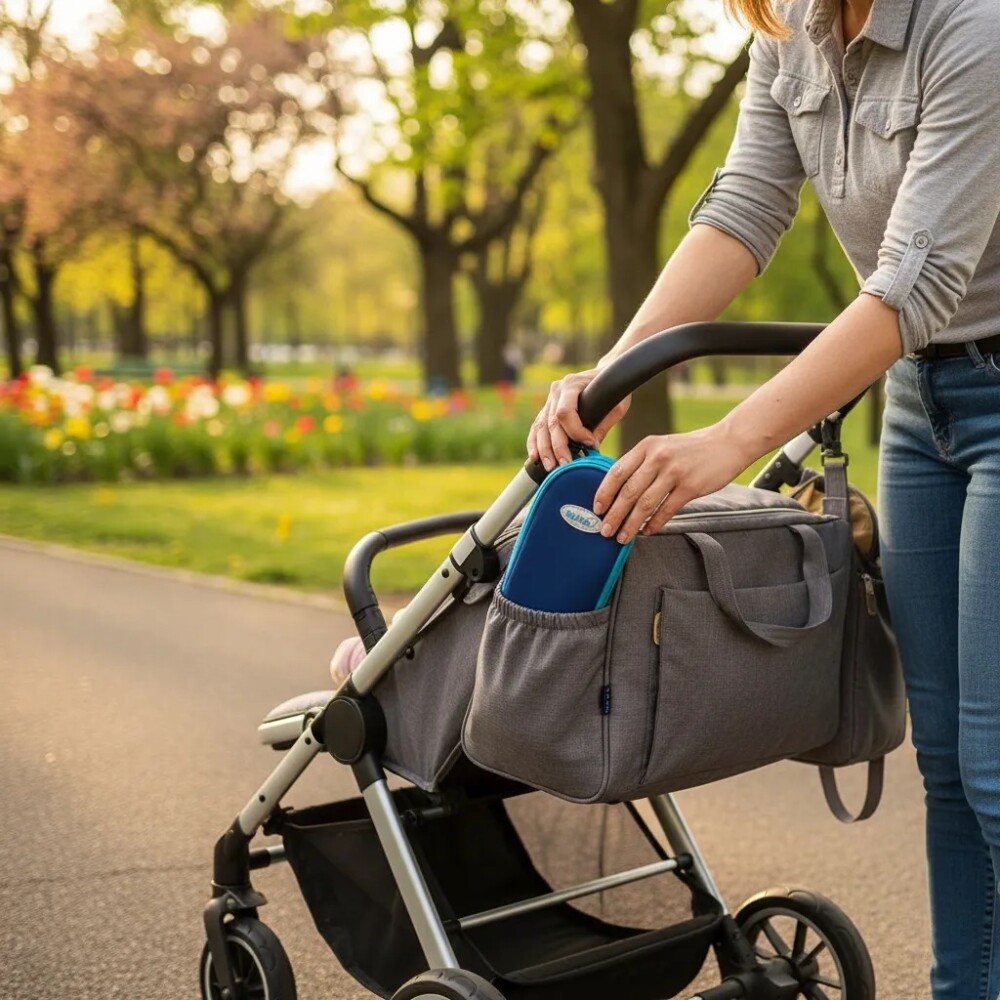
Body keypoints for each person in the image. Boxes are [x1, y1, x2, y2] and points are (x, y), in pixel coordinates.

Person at [527, 0, 1000, 996]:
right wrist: (606, 379)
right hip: (921, 402)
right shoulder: (792, 29)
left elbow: (913, 281)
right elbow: (742, 208)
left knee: (997, 766)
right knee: (950, 769)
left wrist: (731, 441)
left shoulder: (974, 25)